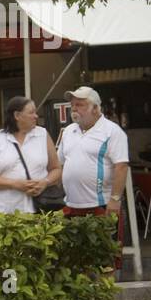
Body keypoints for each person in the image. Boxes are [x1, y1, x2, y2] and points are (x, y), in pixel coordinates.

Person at [58, 86, 129, 265]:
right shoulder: (68, 132)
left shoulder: (112, 131)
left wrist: (114, 199)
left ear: (96, 108)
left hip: (101, 205)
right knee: (77, 262)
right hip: (72, 206)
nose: (74, 109)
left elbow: (121, 166)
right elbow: (59, 164)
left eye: (80, 105)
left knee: (105, 261)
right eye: (72, 105)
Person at [0, 96, 63, 214]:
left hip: (41, 209)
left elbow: (56, 169)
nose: (36, 116)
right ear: (17, 116)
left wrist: (45, 182)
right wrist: (13, 184)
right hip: (5, 211)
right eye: (31, 112)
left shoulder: (42, 134)